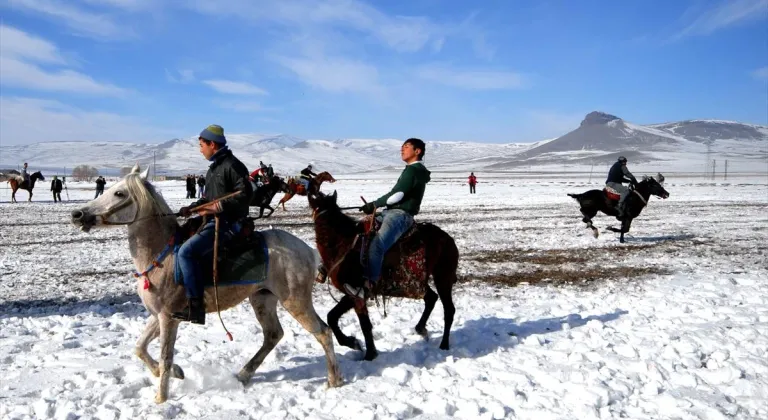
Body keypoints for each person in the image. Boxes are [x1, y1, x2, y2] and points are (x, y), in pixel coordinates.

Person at [172, 124, 254, 324]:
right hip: (213, 219)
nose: (200, 150)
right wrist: (191, 207)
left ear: (212, 144)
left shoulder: (233, 166)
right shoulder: (214, 168)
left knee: (186, 252)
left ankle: (196, 307)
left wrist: (220, 207)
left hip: (228, 223)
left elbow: (246, 194)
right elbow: (208, 198)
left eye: (202, 145)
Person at [345, 138, 430, 298]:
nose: (402, 149)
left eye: (406, 147)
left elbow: (397, 195)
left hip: (400, 215)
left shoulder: (413, 170)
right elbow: (394, 194)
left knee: (377, 245)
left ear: (417, 151)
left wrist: (374, 204)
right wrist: (374, 207)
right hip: (390, 212)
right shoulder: (411, 170)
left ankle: (369, 285)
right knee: (359, 230)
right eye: (402, 147)